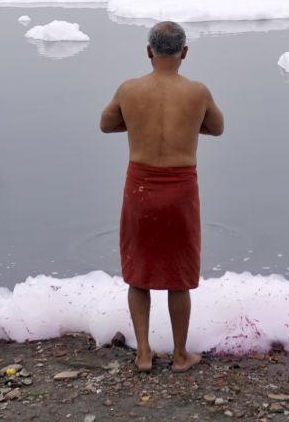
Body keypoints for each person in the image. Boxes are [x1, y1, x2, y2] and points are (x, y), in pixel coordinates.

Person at [99, 21, 224, 373]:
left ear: (149, 51)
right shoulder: (198, 91)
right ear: (184, 52)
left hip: (140, 187)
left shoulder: (129, 89)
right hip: (180, 189)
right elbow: (216, 127)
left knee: (139, 271)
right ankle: (181, 354)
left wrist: (138, 124)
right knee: (178, 275)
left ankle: (143, 353)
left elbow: (106, 124)